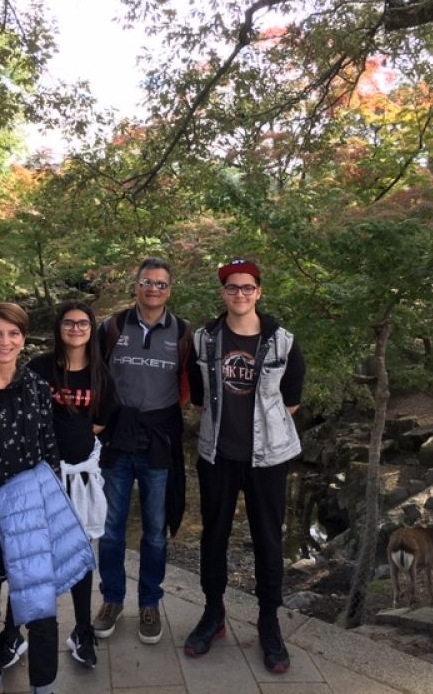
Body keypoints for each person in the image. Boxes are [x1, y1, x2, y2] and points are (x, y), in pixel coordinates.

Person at [0, 302, 93, 694]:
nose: (5, 342)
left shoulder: (37, 388)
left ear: (23, 340)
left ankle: (44, 687)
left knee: (41, 609)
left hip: (29, 510)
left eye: (13, 334)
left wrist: (58, 513)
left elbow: (48, 453)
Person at [184, 258, 305, 673]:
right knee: (213, 537)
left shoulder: (283, 342)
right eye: (232, 288)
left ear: (259, 291)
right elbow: (199, 396)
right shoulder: (204, 340)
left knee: (269, 540)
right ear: (223, 292)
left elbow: (291, 400)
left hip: (268, 459)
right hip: (217, 455)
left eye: (247, 287)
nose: (240, 294)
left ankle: (268, 620)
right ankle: (212, 613)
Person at [93, 257, 191, 644]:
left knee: (154, 531)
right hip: (116, 438)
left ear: (170, 290)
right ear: (136, 286)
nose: (153, 289)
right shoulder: (113, 327)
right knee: (111, 529)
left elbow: (191, 382)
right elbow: (94, 373)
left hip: (159, 440)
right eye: (147, 282)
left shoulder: (182, 332)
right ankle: (112, 599)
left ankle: (150, 602)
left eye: (161, 284)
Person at [27, 300, 117, 668]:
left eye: (83, 323)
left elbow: (106, 419)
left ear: (91, 328)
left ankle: (82, 630)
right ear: (58, 327)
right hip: (38, 475)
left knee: (80, 555)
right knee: (32, 556)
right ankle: (18, 630)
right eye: (69, 322)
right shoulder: (39, 368)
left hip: (79, 475)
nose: (76, 328)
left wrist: (79, 435)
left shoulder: (100, 373)